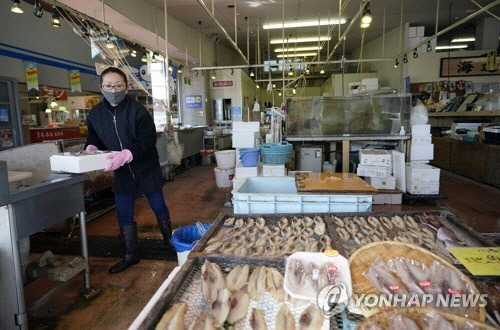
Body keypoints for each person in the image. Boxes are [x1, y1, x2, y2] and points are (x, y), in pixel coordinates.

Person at [85, 67, 172, 274]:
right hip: (122, 173)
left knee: (159, 206)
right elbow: (94, 138)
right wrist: (91, 148)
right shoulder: (96, 114)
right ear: (101, 87)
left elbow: (147, 140)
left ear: (126, 87)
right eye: (108, 86)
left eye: (118, 86)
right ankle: (131, 255)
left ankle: (171, 243)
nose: (113, 90)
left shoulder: (138, 111)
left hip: (145, 167)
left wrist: (127, 154)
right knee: (124, 213)